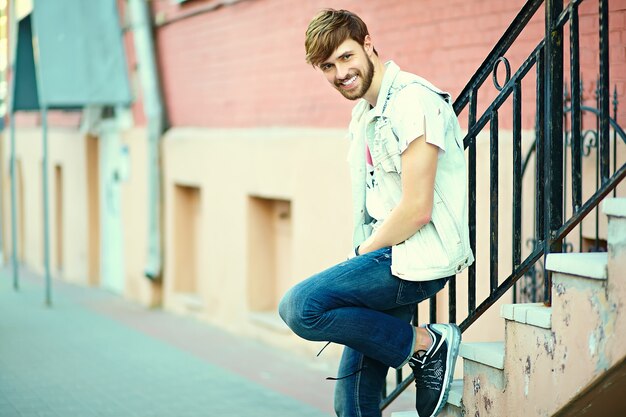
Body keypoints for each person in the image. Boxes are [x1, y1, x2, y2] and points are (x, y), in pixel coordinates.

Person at [278, 9, 474, 417]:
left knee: (301, 308)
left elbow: (418, 209)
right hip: (387, 254)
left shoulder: (413, 101)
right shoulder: (365, 113)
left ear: (368, 43)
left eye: (346, 57)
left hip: (411, 258)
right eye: (327, 66)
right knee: (351, 402)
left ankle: (425, 344)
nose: (340, 73)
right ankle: (417, 345)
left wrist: (363, 253)